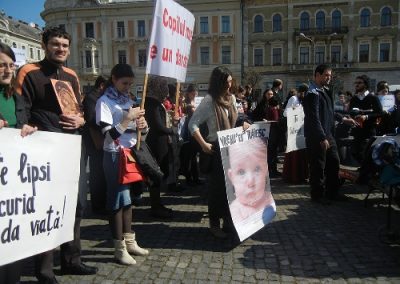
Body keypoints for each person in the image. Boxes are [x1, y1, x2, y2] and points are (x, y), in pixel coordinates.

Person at [15, 26, 97, 283]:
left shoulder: (72, 75)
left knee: (76, 207)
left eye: (64, 45)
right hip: (43, 154)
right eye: (55, 44)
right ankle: (44, 270)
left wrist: (81, 121)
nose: (60, 49)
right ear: (44, 44)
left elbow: (82, 111)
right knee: (46, 211)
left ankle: (72, 261)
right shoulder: (29, 72)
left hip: (72, 150)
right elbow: (22, 110)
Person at [96, 63, 149, 265]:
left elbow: (140, 133)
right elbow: (108, 136)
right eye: (124, 83)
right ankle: (119, 248)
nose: (128, 87)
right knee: (117, 201)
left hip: (130, 153)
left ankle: (130, 241)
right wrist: (128, 119)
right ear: (113, 79)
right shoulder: (104, 102)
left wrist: (142, 127)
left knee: (128, 200)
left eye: (130, 83)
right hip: (114, 155)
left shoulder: (129, 99)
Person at [189, 66, 250, 239]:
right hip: (215, 150)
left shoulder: (231, 98)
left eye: (231, 81)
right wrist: (203, 145)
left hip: (232, 148)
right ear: (219, 82)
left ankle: (229, 221)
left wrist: (243, 124)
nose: (230, 85)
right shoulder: (209, 101)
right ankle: (214, 224)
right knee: (217, 190)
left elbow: (237, 119)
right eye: (227, 82)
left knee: (232, 188)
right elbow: (192, 124)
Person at [0, 43, 37, 284]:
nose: (8, 70)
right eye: (2, 65)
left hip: (12, 178)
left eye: (11, 65)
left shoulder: (16, 96)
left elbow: (22, 123)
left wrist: (26, 128)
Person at [302, 64, 356, 204]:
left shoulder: (325, 91)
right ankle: (317, 196)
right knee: (318, 166)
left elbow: (330, 112)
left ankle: (332, 192)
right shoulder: (312, 93)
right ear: (317, 75)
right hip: (317, 136)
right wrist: (321, 137)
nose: (329, 78)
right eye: (326, 75)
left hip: (328, 135)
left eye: (330, 75)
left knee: (334, 162)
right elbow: (313, 117)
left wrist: (343, 119)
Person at [144, 75, 179, 218]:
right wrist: (172, 130)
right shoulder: (152, 103)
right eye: (163, 86)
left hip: (161, 142)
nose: (166, 89)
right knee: (156, 174)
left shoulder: (156, 102)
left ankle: (157, 204)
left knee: (159, 174)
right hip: (156, 142)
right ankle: (155, 206)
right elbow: (157, 126)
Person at [227, 138, 274, 222]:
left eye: (257, 169)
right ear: (232, 177)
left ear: (266, 171)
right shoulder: (236, 210)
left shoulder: (268, 198)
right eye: (241, 172)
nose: (250, 181)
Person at [82, 75, 108, 214]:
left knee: (101, 171)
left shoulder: (97, 96)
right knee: (97, 172)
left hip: (100, 137)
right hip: (94, 139)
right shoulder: (92, 97)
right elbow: (92, 119)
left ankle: (102, 201)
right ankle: (98, 205)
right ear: (102, 85)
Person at [348, 75, 382, 165]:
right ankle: (364, 170)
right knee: (354, 152)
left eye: (359, 83)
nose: (357, 85)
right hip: (357, 131)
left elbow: (379, 113)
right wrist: (354, 114)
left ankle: (366, 173)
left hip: (369, 131)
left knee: (366, 153)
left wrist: (366, 116)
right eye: (356, 83)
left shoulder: (373, 98)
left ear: (365, 84)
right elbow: (350, 112)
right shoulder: (354, 98)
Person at [282, 83, 309, 184]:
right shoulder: (293, 99)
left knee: (301, 152)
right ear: (300, 92)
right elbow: (285, 113)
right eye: (303, 93)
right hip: (293, 129)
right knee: (294, 153)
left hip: (301, 129)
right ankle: (293, 176)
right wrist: (294, 111)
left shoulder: (304, 101)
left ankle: (302, 175)